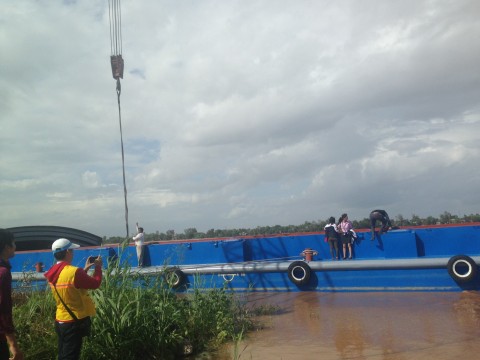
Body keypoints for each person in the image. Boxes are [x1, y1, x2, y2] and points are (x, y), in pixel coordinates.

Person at [44, 238, 102, 360]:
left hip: (60, 320)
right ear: (68, 252)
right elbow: (95, 284)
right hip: (74, 322)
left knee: (63, 354)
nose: (73, 253)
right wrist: (98, 268)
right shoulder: (74, 272)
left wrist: (85, 269)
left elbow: (73, 284)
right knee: (71, 356)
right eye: (72, 251)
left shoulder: (52, 273)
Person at [0, 230, 24, 360]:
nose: (15, 246)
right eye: (13, 243)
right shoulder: (3, 273)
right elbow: (3, 309)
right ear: (6, 247)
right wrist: (13, 345)